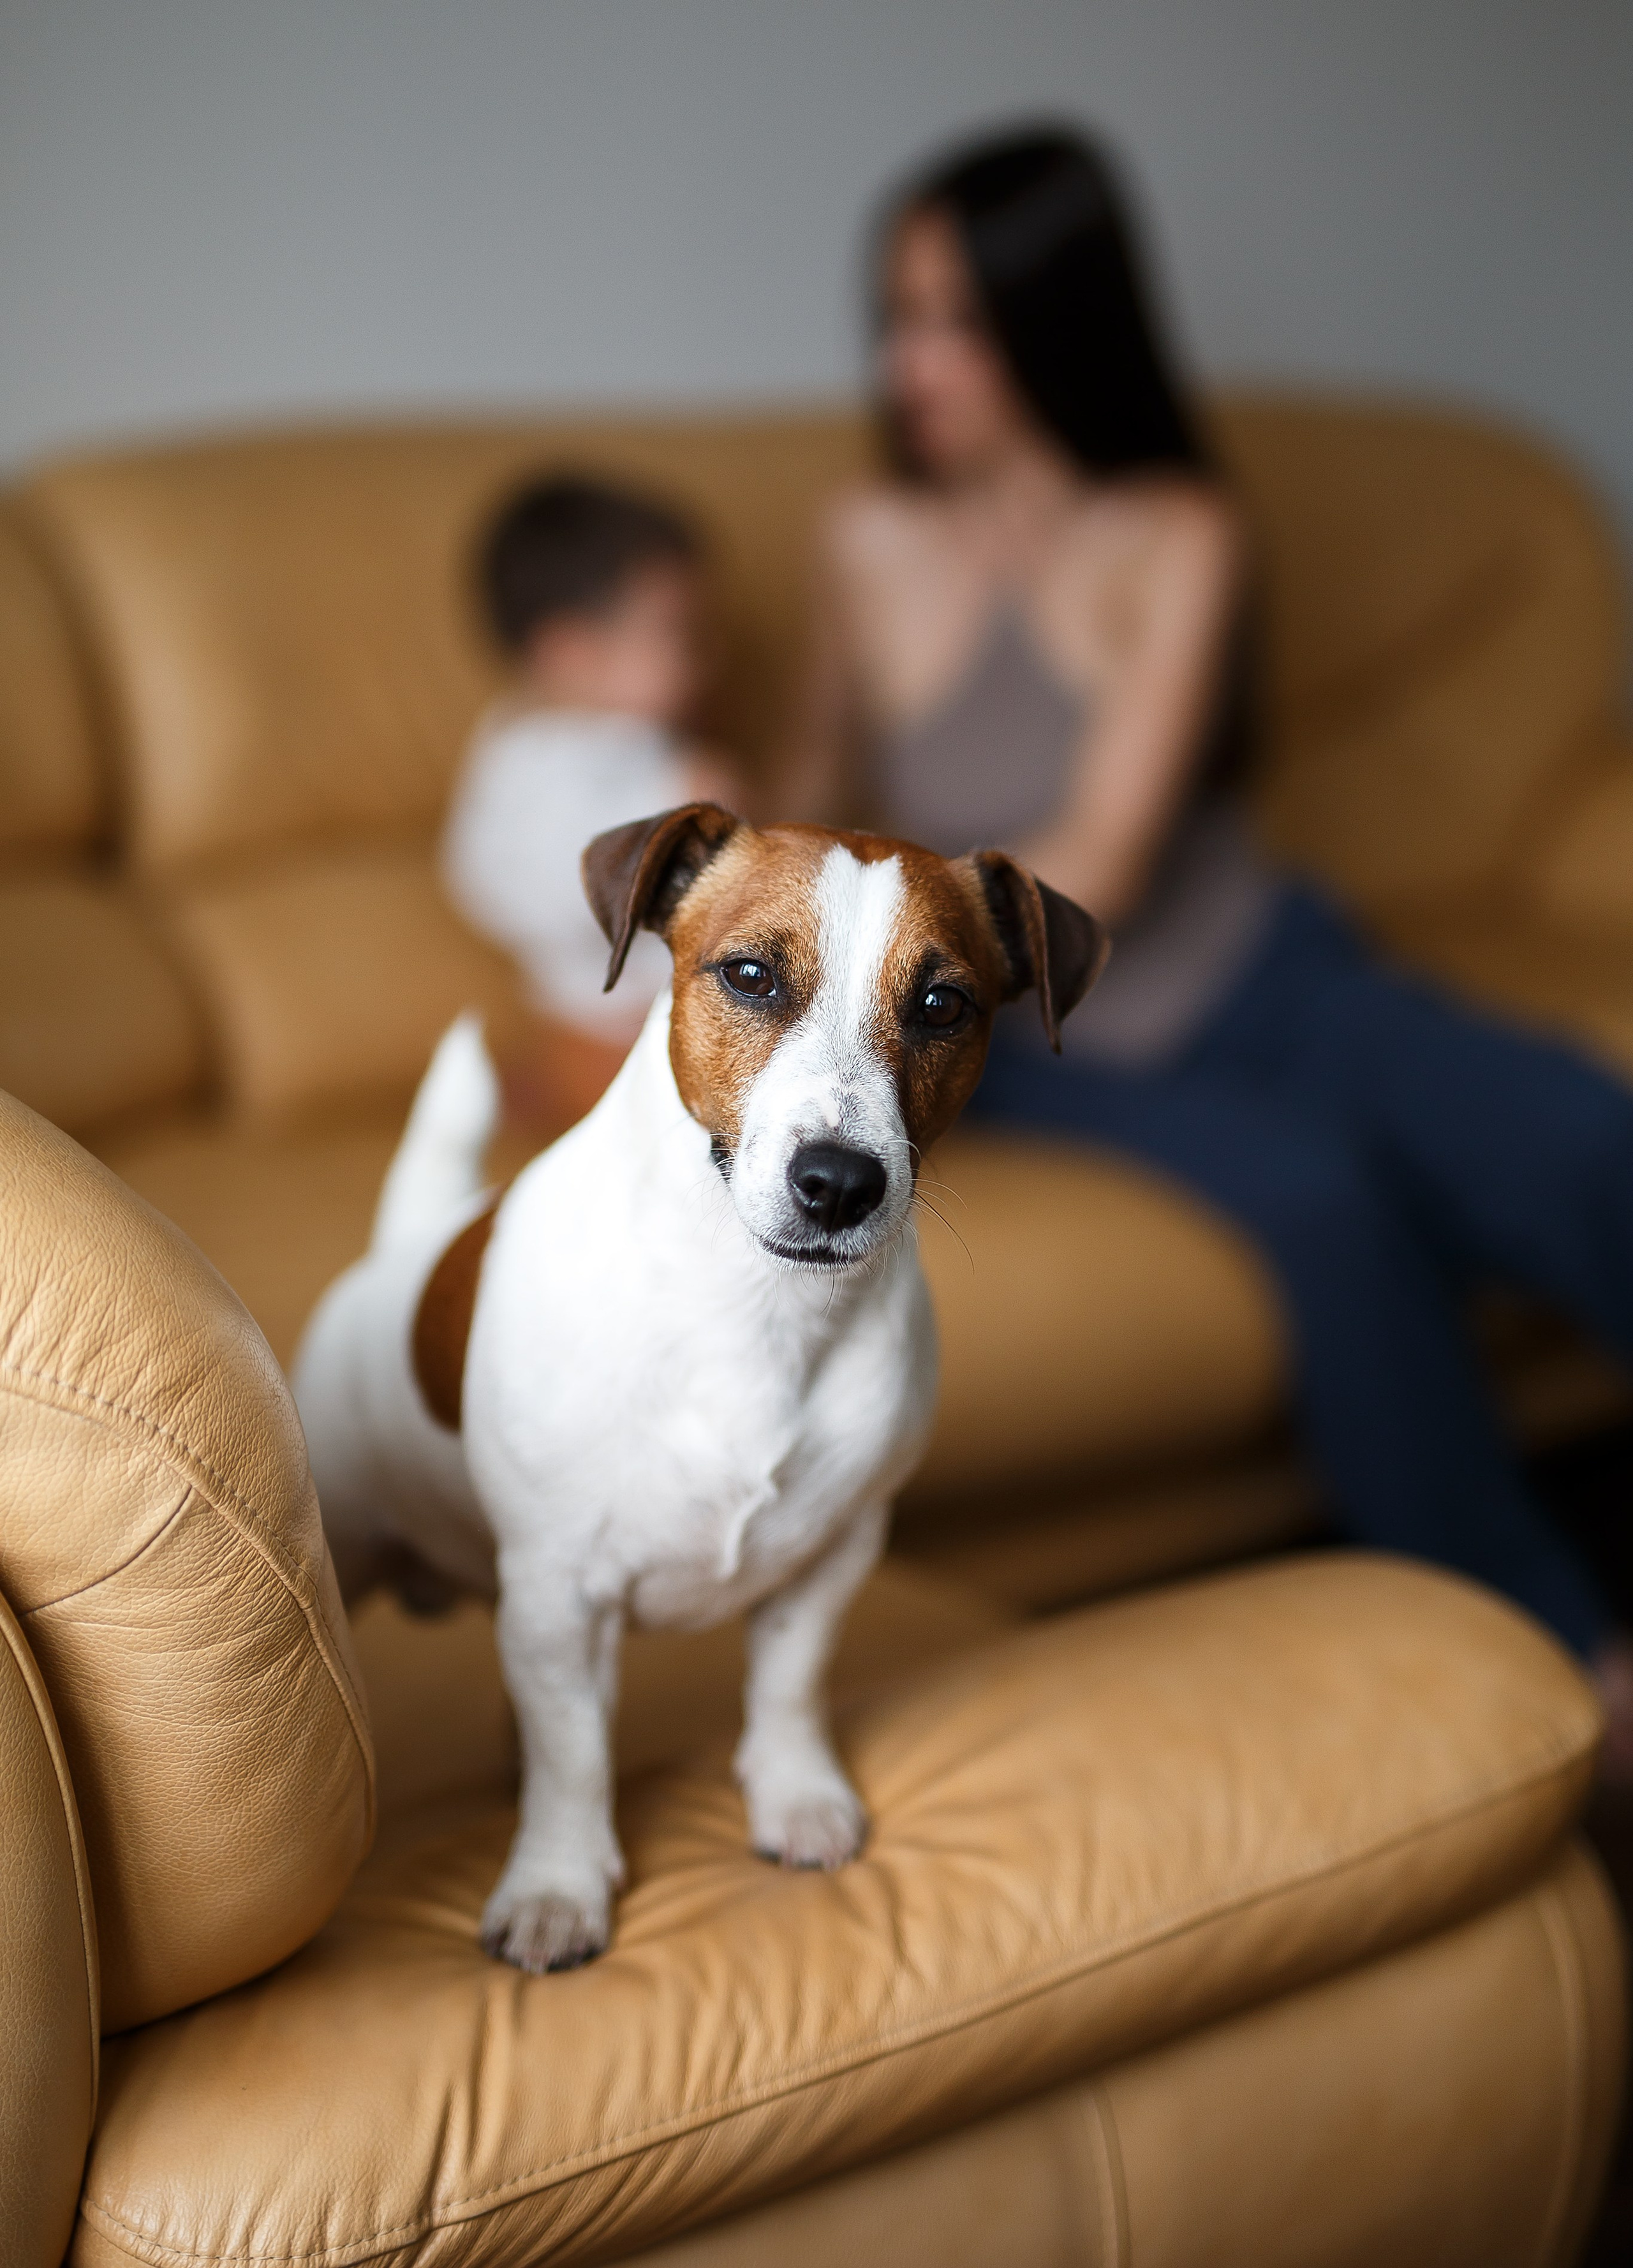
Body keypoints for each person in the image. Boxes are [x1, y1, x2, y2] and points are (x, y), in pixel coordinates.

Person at [803, 120, 1633, 1763]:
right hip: (1041, 1030)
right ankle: (1580, 1680)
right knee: (1328, 1204)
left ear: (1058, 319)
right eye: (895, 316)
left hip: (1259, 968)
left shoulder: (1178, 527)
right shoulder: (859, 544)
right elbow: (805, 811)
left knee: (1568, 1123)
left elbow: (1103, 853)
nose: (909, 363)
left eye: (953, 320)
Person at [444, 473, 744, 1130]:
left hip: (661, 1018)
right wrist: (683, 809)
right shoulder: (535, 757)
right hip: (603, 1028)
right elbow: (508, 879)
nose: (707, 661)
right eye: (678, 635)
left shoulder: (641, 743)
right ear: (572, 653)